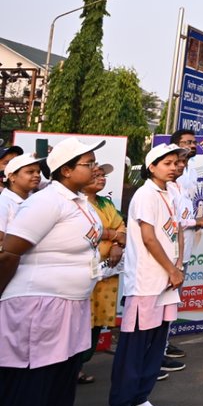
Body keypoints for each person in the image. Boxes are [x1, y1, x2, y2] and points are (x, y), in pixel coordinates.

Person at [0, 137, 104, 406]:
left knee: (60, 385)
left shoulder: (77, 200)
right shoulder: (46, 201)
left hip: (70, 306)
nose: (95, 169)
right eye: (89, 164)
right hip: (40, 306)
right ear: (66, 170)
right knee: (33, 386)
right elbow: (10, 252)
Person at [109, 142, 187, 406]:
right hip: (146, 282)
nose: (174, 167)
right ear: (151, 167)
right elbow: (149, 237)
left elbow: (175, 231)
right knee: (135, 345)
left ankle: (140, 395)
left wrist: (176, 267)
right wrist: (171, 269)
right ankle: (120, 404)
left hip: (165, 282)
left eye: (176, 163)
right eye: (166, 163)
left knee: (156, 344)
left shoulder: (169, 193)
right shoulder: (145, 194)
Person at [162, 128, 203, 370]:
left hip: (186, 244)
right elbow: (174, 215)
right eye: (187, 142)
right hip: (170, 246)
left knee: (174, 297)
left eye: (194, 142)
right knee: (165, 296)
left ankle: (164, 343)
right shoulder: (168, 177)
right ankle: (157, 348)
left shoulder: (190, 170)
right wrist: (196, 221)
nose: (192, 145)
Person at [79, 161, 126, 384]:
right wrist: (111, 234)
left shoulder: (106, 204)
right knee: (79, 321)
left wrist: (117, 244)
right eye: (95, 174)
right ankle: (69, 368)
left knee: (97, 322)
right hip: (82, 275)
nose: (101, 178)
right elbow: (85, 233)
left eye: (103, 176)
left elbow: (122, 228)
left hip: (106, 276)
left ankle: (80, 366)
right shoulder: (75, 204)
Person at [0, 149, 42, 241]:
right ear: (12, 177)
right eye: (30, 172)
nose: (37, 175)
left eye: (38, 172)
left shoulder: (37, 199)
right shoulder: (3, 203)